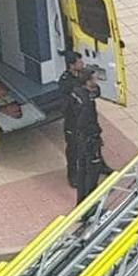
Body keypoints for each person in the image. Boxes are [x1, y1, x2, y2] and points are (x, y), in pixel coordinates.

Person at [71, 67, 113, 204]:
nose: (97, 80)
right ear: (88, 81)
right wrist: (95, 134)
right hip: (89, 139)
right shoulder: (86, 103)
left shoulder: (77, 93)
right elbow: (86, 122)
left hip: (80, 138)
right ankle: (90, 201)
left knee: (83, 169)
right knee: (91, 171)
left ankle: (81, 200)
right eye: (94, 78)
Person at [58, 50, 86, 187]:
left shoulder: (82, 76)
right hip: (73, 121)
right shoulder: (66, 82)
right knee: (73, 148)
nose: (82, 64)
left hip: (85, 119)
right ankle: (72, 175)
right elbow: (65, 104)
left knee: (93, 142)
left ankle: (100, 165)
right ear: (71, 65)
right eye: (79, 62)